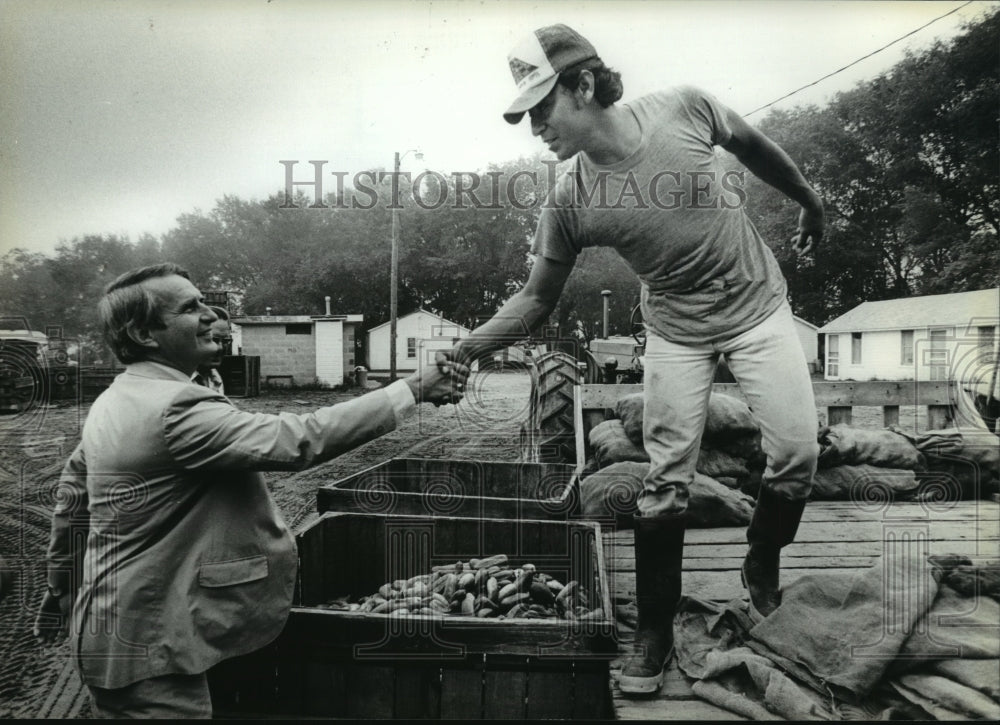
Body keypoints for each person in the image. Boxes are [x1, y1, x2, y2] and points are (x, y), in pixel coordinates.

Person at [444, 24, 824, 695]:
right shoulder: (571, 198)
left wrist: (811, 199)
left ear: (584, 84)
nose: (534, 125)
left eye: (542, 106)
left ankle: (761, 557)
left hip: (759, 308)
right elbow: (536, 297)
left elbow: (758, 148)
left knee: (797, 453)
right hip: (676, 331)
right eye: (526, 113)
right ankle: (652, 627)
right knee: (666, 477)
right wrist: (468, 348)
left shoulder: (685, 108)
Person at [33, 263, 467, 718]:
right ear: (144, 334)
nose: (210, 315)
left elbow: (73, 496)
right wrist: (413, 389)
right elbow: (301, 438)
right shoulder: (175, 406)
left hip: (128, 634)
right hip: (152, 648)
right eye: (190, 307)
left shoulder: (120, 396)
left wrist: (61, 584)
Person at [191, 305, 231, 393]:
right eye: (212, 340)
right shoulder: (178, 382)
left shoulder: (215, 378)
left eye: (225, 341)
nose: (220, 348)